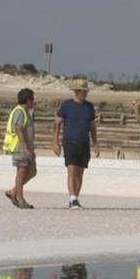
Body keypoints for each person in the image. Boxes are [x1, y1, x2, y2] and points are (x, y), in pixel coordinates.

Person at [53, 80, 98, 209]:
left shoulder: (89, 107)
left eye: (86, 91)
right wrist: (55, 142)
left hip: (84, 142)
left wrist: (96, 144)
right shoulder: (67, 105)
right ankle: (72, 198)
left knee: (80, 172)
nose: (85, 94)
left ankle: (75, 199)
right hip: (70, 141)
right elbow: (57, 123)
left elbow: (92, 126)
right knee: (72, 171)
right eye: (83, 91)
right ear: (77, 92)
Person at [4, 88, 37, 209]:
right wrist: (26, 148)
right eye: (32, 99)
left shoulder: (26, 111)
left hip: (28, 147)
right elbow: (18, 129)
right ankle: (20, 199)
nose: (34, 101)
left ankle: (13, 191)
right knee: (22, 172)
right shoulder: (19, 111)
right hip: (20, 146)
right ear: (27, 100)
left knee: (32, 171)